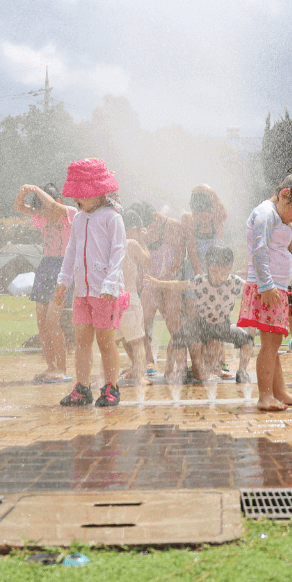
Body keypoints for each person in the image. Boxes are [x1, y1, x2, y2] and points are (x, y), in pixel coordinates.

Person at [238, 167, 292, 411]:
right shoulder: (265, 213)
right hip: (268, 288)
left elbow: (280, 255)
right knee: (270, 346)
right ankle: (265, 396)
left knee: (274, 345)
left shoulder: (278, 217)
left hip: (276, 288)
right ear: (285, 194)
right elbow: (259, 250)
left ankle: (280, 392)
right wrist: (266, 285)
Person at [52, 159, 127, 408]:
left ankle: (111, 386)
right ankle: (83, 387)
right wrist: (63, 281)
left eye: (80, 194)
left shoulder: (111, 218)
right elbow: (71, 251)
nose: (76, 200)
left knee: (106, 341)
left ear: (96, 192)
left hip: (104, 291)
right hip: (82, 291)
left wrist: (110, 283)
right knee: (82, 341)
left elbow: (119, 252)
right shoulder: (79, 219)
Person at [148, 244, 255, 383]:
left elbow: (253, 290)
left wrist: (270, 289)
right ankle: (181, 370)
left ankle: (242, 371)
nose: (218, 277)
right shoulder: (201, 281)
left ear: (230, 268)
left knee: (247, 340)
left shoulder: (235, 282)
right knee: (179, 337)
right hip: (202, 324)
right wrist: (158, 283)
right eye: (214, 271)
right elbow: (179, 284)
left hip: (223, 325)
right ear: (207, 266)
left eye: (224, 273)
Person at [17, 182, 76, 382]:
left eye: (43, 208)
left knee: (52, 321)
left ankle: (62, 368)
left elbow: (51, 204)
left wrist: (35, 190)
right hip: (45, 268)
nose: (42, 213)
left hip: (63, 269)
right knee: (42, 323)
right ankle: (50, 366)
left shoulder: (69, 213)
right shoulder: (42, 217)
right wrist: (22, 193)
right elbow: (19, 208)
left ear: (57, 202)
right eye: (40, 209)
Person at [132, 201, 189, 380]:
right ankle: (148, 363)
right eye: (144, 226)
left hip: (171, 280)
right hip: (150, 281)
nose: (147, 229)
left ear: (156, 216)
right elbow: (140, 261)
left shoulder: (173, 226)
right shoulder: (140, 231)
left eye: (149, 225)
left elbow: (180, 255)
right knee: (141, 321)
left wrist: (167, 278)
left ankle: (177, 365)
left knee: (174, 323)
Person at [116, 210, 152, 386]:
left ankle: (107, 375)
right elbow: (147, 260)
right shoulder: (131, 243)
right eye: (140, 231)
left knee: (116, 339)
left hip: (112, 299)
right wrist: (143, 241)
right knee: (137, 340)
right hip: (129, 298)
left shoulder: (112, 242)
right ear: (132, 230)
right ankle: (141, 374)